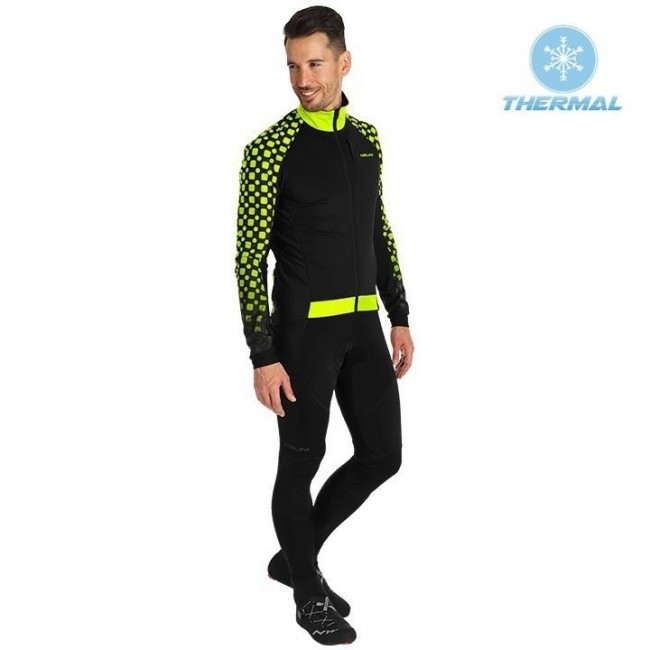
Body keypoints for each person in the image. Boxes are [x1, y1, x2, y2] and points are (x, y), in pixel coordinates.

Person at [234, 5, 415, 645]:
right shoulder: (268, 150)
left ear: (344, 62)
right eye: (292, 66)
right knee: (300, 463)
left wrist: (399, 315)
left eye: (314, 64)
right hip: (303, 337)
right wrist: (262, 353)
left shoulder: (366, 139)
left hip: (363, 328)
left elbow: (377, 230)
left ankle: (294, 557)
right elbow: (248, 257)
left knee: (382, 456)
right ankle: (307, 593)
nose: (302, 79)